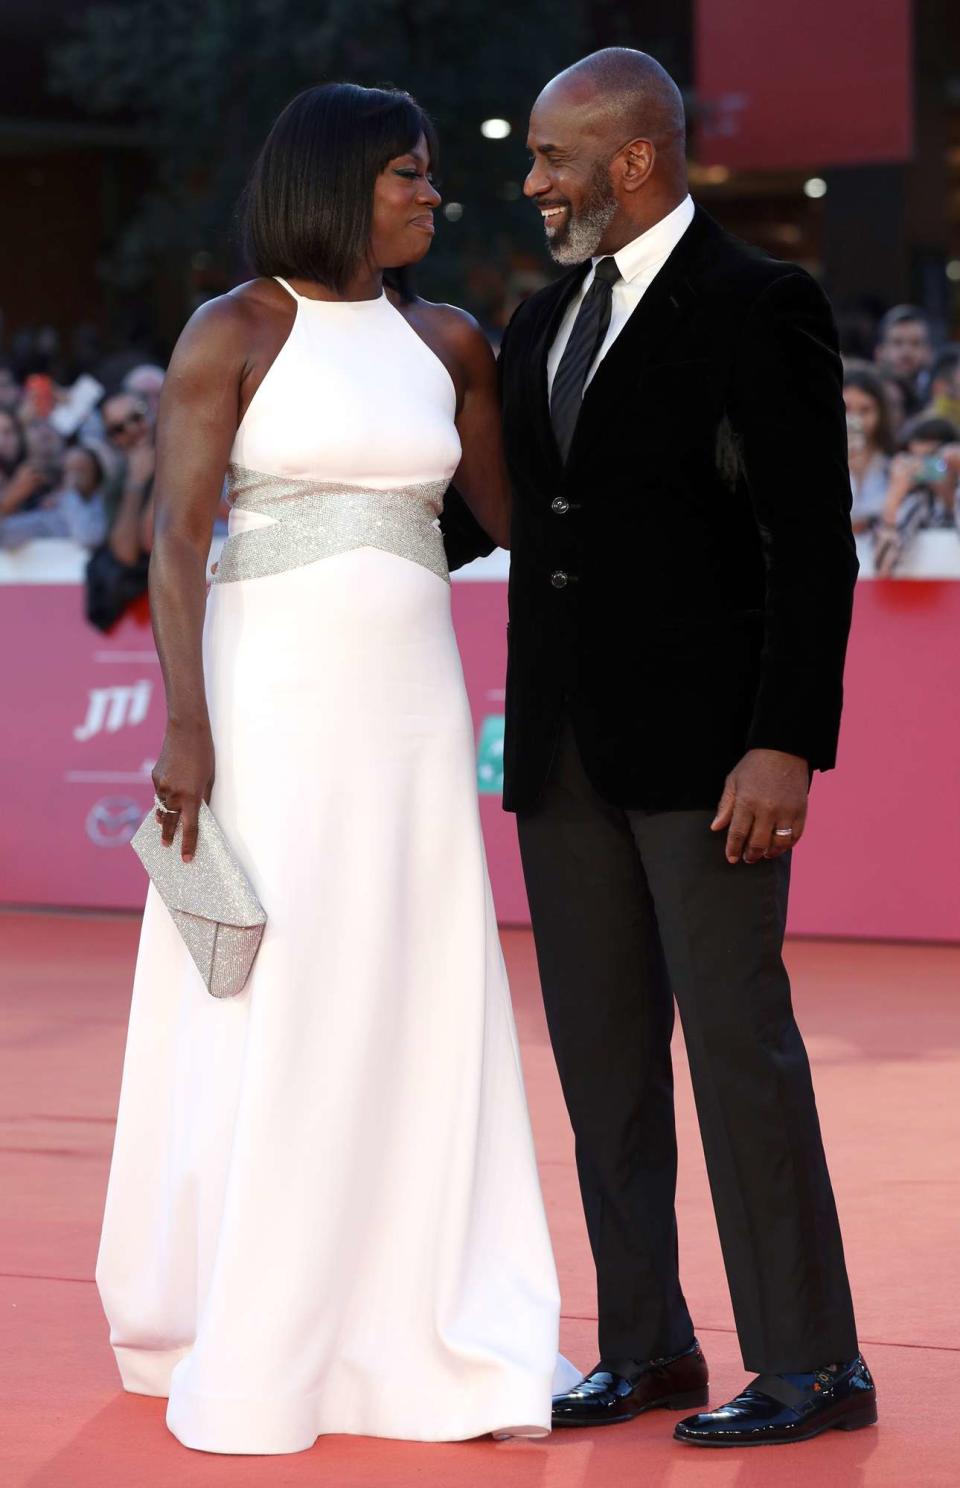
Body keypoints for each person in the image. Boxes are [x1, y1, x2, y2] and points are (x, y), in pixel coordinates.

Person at [95, 82, 577, 1455]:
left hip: (412, 713)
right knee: (278, 977)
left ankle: (419, 1305)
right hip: (268, 706)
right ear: (338, 182)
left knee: (412, 974)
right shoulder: (233, 329)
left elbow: (515, 523)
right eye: (411, 176)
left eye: (430, 176)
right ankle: (262, 1311)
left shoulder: (452, 341)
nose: (435, 195)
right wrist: (188, 729)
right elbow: (180, 548)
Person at [491, 48, 876, 1448]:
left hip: (715, 758)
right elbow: (519, 519)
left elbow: (810, 546)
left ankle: (813, 1364)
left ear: (634, 160)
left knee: (736, 1053)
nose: (530, 180)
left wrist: (785, 745)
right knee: (603, 1069)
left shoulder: (757, 303)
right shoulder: (540, 322)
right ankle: (645, 1347)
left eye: (550, 156)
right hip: (564, 762)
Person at [874, 414, 959, 576]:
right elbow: (883, 567)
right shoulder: (918, 503)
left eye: (933, 458)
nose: (925, 468)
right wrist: (894, 497)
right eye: (916, 459)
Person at [843, 364, 895, 533]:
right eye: (846, 409)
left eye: (865, 410)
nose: (854, 419)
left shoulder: (892, 462)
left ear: (881, 413)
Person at [873, 304, 934, 416]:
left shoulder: (937, 397)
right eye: (897, 343)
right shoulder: (867, 397)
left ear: (929, 353)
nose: (906, 352)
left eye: (915, 343)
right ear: (879, 352)